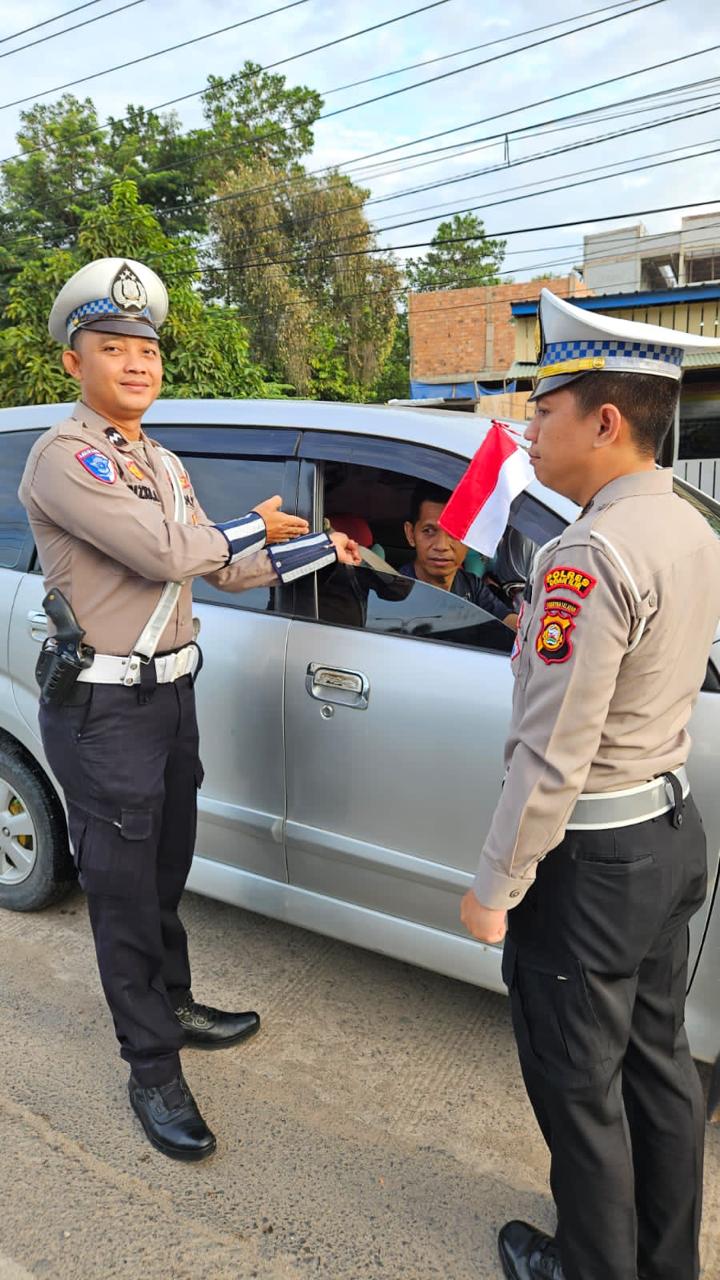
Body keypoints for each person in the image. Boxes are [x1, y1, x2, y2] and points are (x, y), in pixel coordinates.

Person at [19, 257, 361, 1164]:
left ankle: (171, 1000)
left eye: (146, 349)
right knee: (123, 896)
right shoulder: (65, 459)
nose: (136, 363)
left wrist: (323, 546)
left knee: (165, 869)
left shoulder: (161, 460)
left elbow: (225, 566)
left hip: (171, 695)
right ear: (73, 363)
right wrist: (243, 529)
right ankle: (151, 1067)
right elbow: (170, 552)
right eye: (113, 348)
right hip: (105, 711)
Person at [459, 288, 720, 1280]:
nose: (528, 428)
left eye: (544, 406)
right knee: (657, 1068)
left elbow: (554, 750)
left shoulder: (591, 551)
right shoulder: (690, 526)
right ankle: (667, 1263)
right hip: (666, 832)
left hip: (592, 862)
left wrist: (497, 884)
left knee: (579, 1089)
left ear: (605, 420)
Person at [400, 481, 518, 628]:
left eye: (455, 532)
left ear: (471, 536)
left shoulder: (471, 586)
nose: (441, 546)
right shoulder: (397, 592)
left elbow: (508, 621)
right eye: (429, 531)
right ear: (411, 534)